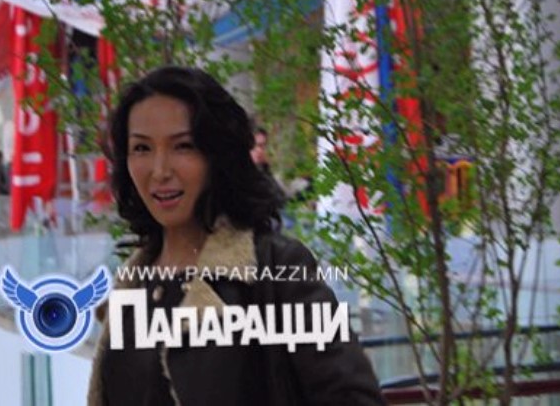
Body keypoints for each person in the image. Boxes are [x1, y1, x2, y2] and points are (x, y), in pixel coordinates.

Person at [88, 66, 385, 406]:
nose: (160, 170)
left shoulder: (276, 269)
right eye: (142, 148)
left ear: (217, 155)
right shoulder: (133, 283)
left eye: (183, 146)